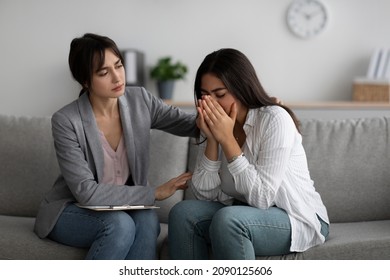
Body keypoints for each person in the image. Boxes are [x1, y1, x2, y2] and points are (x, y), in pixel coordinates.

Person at [33, 33, 197, 260]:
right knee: (120, 225)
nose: (117, 76)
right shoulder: (66, 121)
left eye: (118, 65)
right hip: (72, 209)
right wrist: (154, 192)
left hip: (125, 206)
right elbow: (86, 193)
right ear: (86, 81)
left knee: (148, 220)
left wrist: (224, 114)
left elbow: (188, 124)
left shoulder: (140, 99)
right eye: (103, 72)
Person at [168, 48, 329, 260]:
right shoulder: (214, 124)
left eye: (220, 94)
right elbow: (205, 195)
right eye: (205, 96)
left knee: (229, 219)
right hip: (242, 212)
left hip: (296, 217)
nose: (211, 104)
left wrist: (227, 140)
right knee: (182, 214)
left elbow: (262, 198)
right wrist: (214, 140)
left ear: (241, 88)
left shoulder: (274, 119)